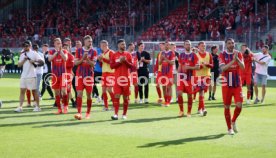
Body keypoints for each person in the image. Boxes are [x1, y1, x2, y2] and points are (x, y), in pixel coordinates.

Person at [219, 38, 244, 135]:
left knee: (239, 105)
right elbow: (223, 69)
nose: (231, 45)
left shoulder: (238, 53)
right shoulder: (222, 54)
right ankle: (229, 128)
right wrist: (233, 61)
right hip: (226, 81)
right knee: (227, 106)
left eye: (232, 43)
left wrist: (237, 59)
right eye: (229, 43)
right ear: (226, 45)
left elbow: (243, 68)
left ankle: (233, 121)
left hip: (237, 82)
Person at [15, 41, 44, 112]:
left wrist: (33, 61)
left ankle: (37, 107)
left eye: (27, 45)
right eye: (24, 46)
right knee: (22, 91)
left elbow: (42, 62)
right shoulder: (22, 55)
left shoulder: (34, 53)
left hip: (32, 75)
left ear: (30, 46)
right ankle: (20, 107)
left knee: (34, 91)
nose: (25, 47)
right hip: (24, 75)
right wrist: (24, 60)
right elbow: (19, 65)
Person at [74, 35, 97, 120]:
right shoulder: (78, 50)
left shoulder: (94, 51)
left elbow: (93, 64)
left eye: (91, 41)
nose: (90, 43)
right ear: (84, 42)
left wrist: (86, 59)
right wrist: (82, 59)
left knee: (89, 95)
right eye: (88, 41)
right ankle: (79, 113)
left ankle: (88, 113)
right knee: (79, 93)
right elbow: (75, 63)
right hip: (79, 75)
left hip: (89, 76)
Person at [110, 39, 133, 120]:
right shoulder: (114, 55)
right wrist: (120, 62)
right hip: (117, 79)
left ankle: (124, 114)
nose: (124, 46)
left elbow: (131, 66)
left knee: (125, 97)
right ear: (118, 45)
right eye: (122, 44)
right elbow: (112, 66)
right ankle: (115, 114)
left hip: (126, 79)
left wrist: (125, 61)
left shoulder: (128, 55)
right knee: (116, 96)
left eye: (124, 44)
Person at [177, 40, 199, 117]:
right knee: (179, 93)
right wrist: (178, 74)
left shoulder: (194, 55)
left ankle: (189, 112)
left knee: (190, 95)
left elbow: (198, 67)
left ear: (190, 45)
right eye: (186, 44)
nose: (188, 46)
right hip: (181, 78)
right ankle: (181, 111)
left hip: (191, 78)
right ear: (184, 46)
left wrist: (189, 67)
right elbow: (180, 66)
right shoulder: (181, 55)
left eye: (189, 44)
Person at [48, 38, 69, 114]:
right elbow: (49, 59)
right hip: (55, 75)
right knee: (56, 92)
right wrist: (55, 53)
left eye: (60, 43)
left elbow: (65, 58)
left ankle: (65, 106)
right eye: (57, 43)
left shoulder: (64, 51)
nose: (59, 44)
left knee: (64, 90)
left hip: (63, 74)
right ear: (54, 44)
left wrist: (60, 52)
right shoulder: (51, 51)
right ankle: (59, 109)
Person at [194, 41, 213, 116]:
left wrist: (206, 64)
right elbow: (194, 67)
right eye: (201, 46)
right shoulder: (195, 55)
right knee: (201, 92)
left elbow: (212, 65)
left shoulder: (209, 55)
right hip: (198, 76)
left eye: (204, 46)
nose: (203, 47)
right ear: (198, 47)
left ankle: (199, 109)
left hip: (207, 76)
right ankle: (203, 109)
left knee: (202, 93)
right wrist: (201, 66)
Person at [98, 40, 115, 111]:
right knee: (104, 90)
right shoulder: (103, 53)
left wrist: (103, 59)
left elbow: (112, 63)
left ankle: (115, 105)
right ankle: (106, 106)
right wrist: (100, 60)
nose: (100, 47)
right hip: (104, 73)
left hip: (110, 73)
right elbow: (102, 65)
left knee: (109, 89)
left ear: (104, 45)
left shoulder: (111, 52)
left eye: (101, 45)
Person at [159, 41, 175, 107]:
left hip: (169, 72)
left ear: (169, 46)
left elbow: (172, 63)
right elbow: (159, 63)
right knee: (163, 87)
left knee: (169, 87)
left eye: (168, 45)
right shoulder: (162, 53)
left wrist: (165, 58)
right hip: (163, 72)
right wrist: (161, 59)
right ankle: (165, 101)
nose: (166, 46)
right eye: (165, 45)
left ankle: (168, 101)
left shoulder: (172, 53)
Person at [63, 43, 75, 108]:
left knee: (68, 89)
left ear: (69, 48)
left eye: (66, 48)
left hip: (68, 75)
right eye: (64, 47)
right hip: (62, 74)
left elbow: (71, 65)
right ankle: (67, 103)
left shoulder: (71, 56)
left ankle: (72, 102)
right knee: (64, 89)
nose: (65, 49)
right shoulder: (61, 55)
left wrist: (63, 64)